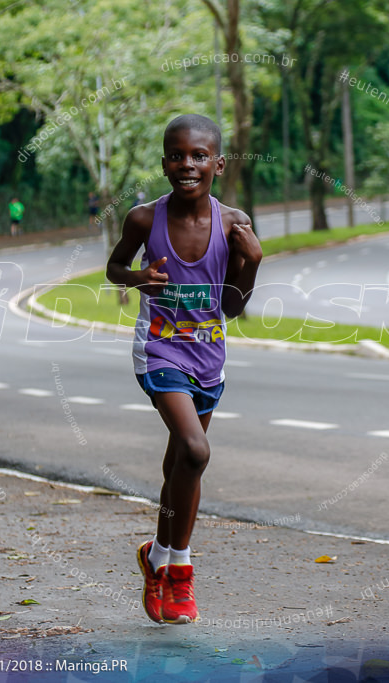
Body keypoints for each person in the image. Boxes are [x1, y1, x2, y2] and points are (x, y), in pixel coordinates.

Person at [106, 114, 261, 625]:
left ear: (218, 163)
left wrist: (252, 262)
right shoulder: (144, 220)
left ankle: (156, 557)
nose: (187, 165)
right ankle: (180, 571)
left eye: (198, 156)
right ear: (165, 161)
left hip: (210, 356)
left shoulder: (233, 222)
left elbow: (233, 308)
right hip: (159, 351)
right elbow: (114, 269)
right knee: (196, 449)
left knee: (182, 464)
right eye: (177, 155)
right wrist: (138, 279)